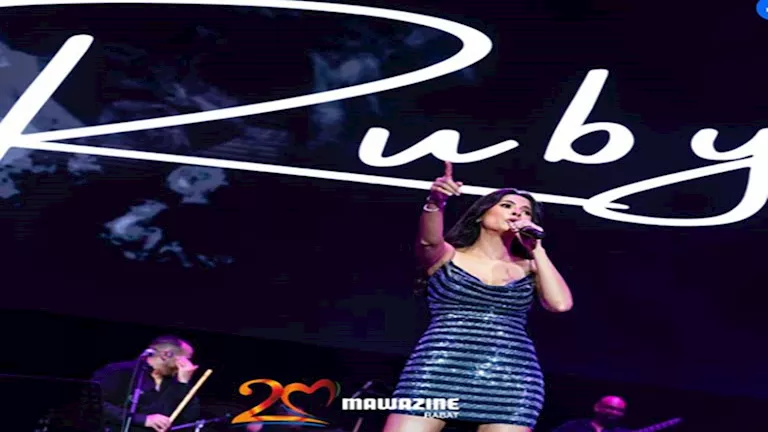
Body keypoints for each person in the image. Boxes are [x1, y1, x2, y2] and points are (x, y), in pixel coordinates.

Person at [383, 161, 573, 432]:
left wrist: (536, 249)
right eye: (507, 205)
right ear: (480, 215)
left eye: (526, 212)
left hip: (510, 377)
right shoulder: (448, 255)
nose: (517, 213)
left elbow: (560, 304)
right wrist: (436, 201)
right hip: (438, 368)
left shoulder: (531, 267)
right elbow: (427, 241)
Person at [91, 335, 202, 432]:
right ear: (166, 355)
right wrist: (143, 419)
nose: (189, 364)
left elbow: (191, 416)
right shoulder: (120, 372)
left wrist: (184, 384)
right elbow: (96, 406)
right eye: (187, 359)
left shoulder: (176, 384)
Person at [551, 396, 629, 432]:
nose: (614, 412)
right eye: (610, 408)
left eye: (620, 411)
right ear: (597, 407)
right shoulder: (574, 426)